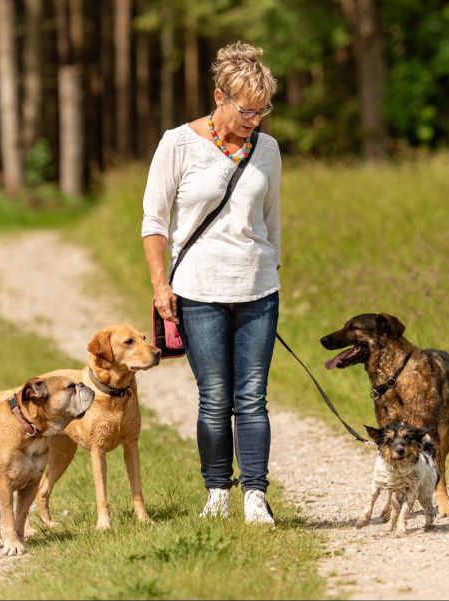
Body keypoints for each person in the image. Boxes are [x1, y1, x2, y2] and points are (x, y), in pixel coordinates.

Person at [141, 41, 281, 525]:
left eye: (262, 111)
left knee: (253, 397)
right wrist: (162, 286)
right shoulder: (177, 144)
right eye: (246, 110)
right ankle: (218, 491)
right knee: (215, 396)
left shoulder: (268, 150)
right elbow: (154, 222)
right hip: (197, 290)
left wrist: (270, 270)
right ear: (219, 96)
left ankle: (256, 496)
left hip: (258, 290)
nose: (254, 120)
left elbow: (270, 222)